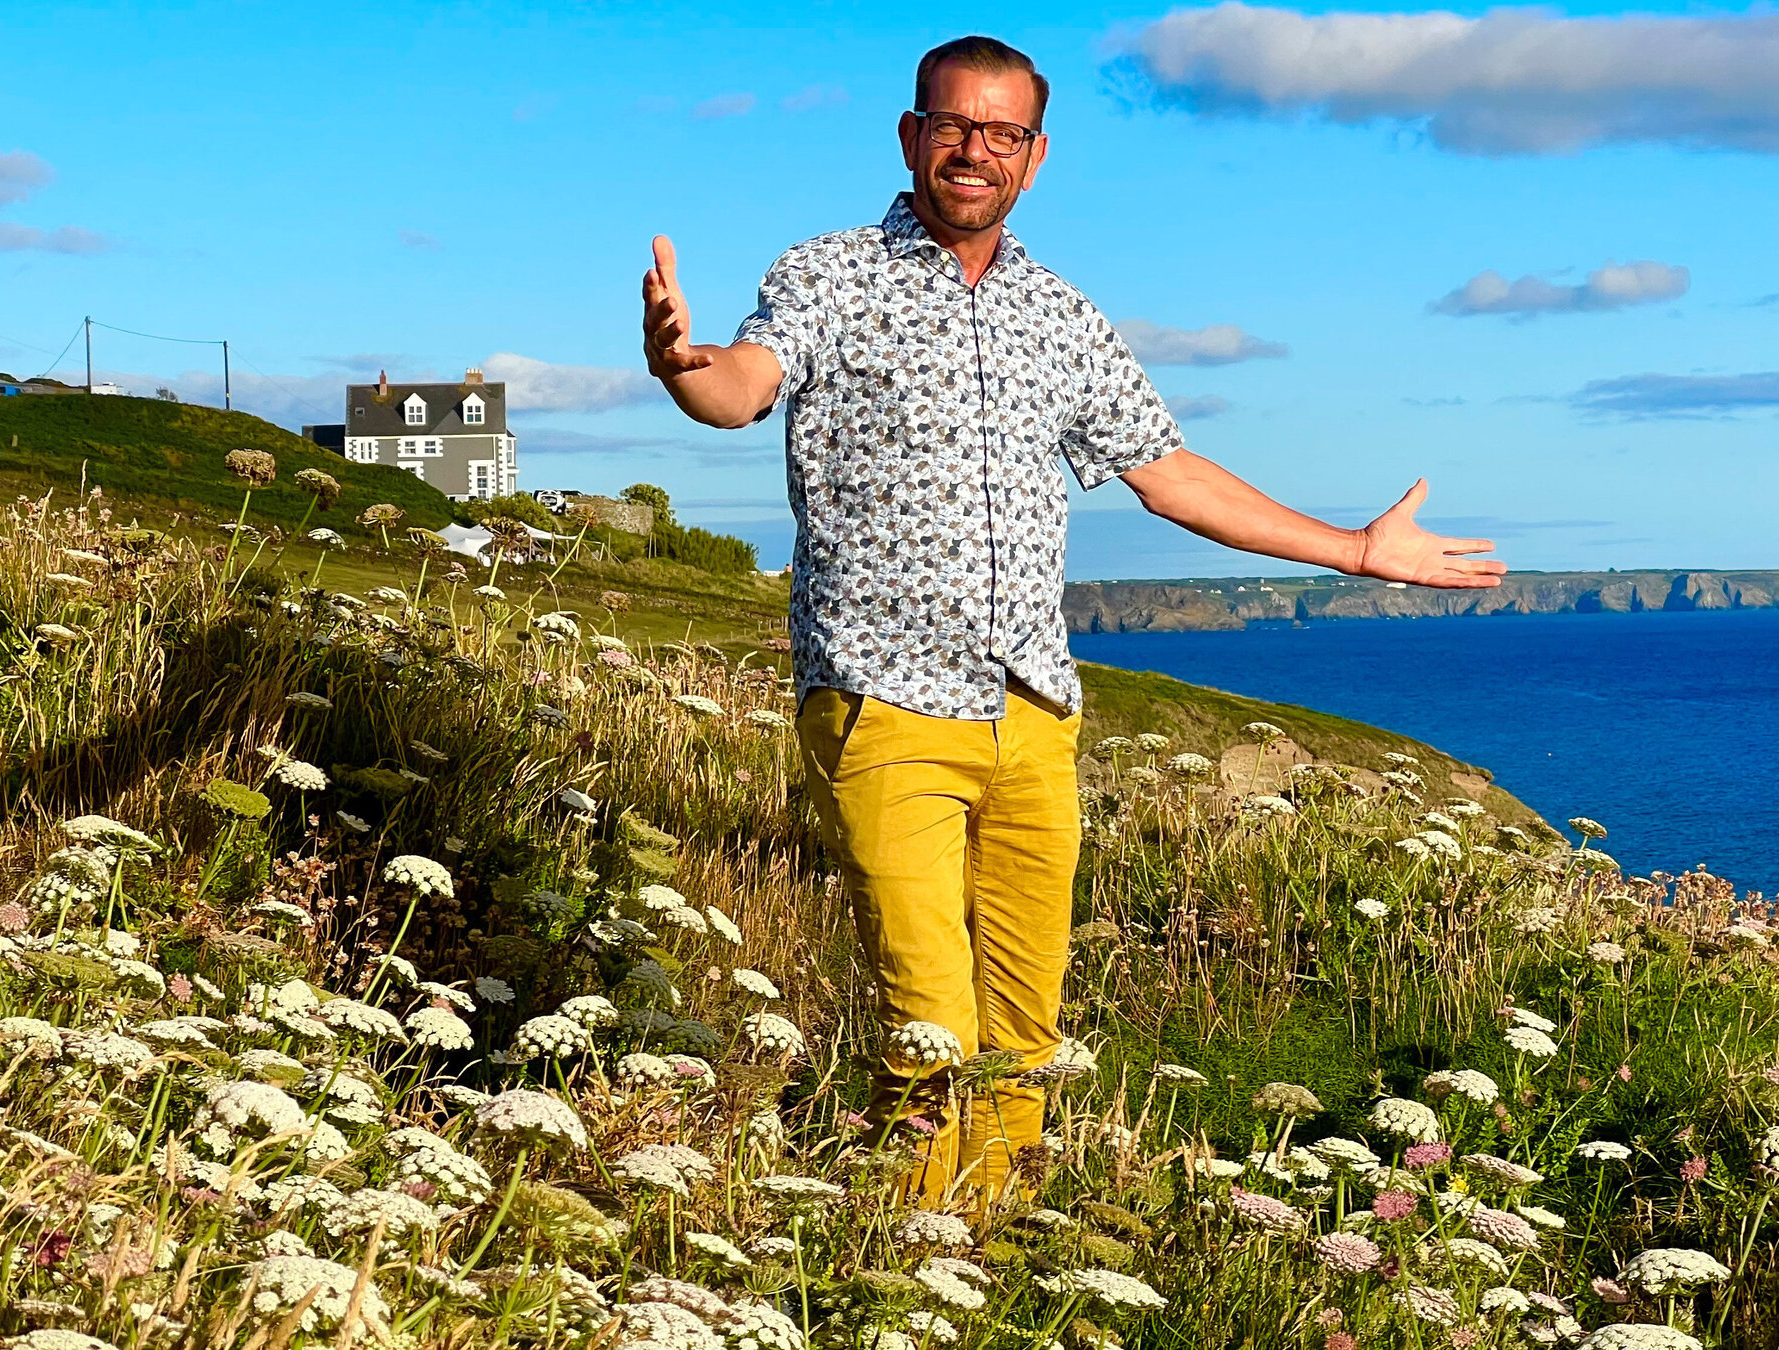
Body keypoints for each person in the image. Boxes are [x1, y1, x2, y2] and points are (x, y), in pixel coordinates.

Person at [642, 34, 1505, 1207]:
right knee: (928, 1022)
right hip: (882, 702)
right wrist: (682, 366)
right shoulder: (829, 274)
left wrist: (1354, 552)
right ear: (911, 137)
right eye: (952, 126)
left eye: (1001, 134)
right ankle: (897, 1252)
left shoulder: (1062, 314)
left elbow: (1168, 472)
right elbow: (742, 384)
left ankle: (987, 1247)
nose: (973, 152)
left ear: (1035, 158)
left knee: (1019, 1029)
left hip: (1033, 713)